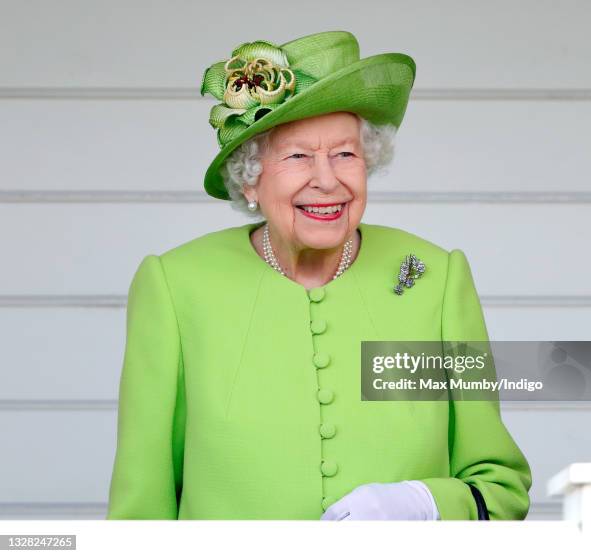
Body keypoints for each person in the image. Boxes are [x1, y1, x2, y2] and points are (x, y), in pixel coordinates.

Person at [106, 30, 532, 520]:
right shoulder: (177, 286)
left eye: (345, 154)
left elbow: (501, 490)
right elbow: (140, 512)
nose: (328, 180)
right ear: (250, 179)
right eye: (298, 156)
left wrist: (426, 504)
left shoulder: (434, 278)